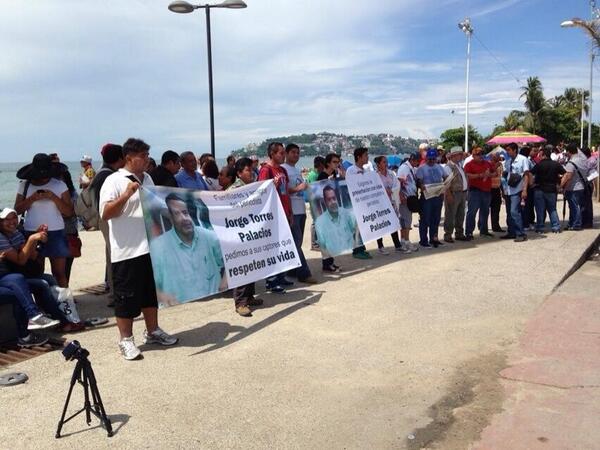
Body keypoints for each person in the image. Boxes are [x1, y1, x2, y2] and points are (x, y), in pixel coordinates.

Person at [100, 138, 178, 360]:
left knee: (149, 294)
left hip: (150, 247)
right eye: (142, 156)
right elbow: (106, 213)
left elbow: (155, 207)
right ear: (128, 158)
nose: (146, 160)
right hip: (127, 250)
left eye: (147, 155)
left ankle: (152, 330)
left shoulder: (149, 178)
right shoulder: (113, 180)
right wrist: (126, 195)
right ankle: (126, 340)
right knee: (126, 297)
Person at [0, 208, 83, 332]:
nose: (11, 221)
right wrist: (32, 239)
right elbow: (20, 260)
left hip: (17, 273)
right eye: (7, 219)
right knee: (41, 284)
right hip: (10, 275)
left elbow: (31, 256)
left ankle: (65, 318)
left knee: (50, 280)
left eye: (14, 218)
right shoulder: (1, 238)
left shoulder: (16, 233)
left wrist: (38, 239)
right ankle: (58, 321)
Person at [150, 193, 224, 304]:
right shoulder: (158, 247)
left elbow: (231, 260)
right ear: (170, 217)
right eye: (176, 214)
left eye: (185, 212)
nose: (184, 218)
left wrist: (224, 283)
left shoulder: (209, 236)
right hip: (180, 312)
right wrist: (162, 296)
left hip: (214, 304)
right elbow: (149, 285)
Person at [14, 153, 74, 287]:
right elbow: (17, 210)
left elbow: (69, 212)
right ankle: (42, 304)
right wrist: (33, 198)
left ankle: (64, 303)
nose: (43, 178)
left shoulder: (59, 185)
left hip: (56, 232)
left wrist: (53, 197)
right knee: (36, 272)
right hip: (32, 233)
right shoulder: (24, 185)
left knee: (59, 273)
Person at [89, 143, 125, 301]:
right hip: (109, 219)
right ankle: (116, 292)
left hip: (105, 219)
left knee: (111, 253)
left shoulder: (101, 174)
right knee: (115, 254)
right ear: (120, 158)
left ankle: (113, 289)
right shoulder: (108, 176)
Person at [228, 158, 264, 316]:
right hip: (239, 234)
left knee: (252, 266)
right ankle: (240, 302)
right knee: (242, 268)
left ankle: (249, 297)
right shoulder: (234, 189)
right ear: (239, 173)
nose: (252, 173)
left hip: (251, 232)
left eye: (252, 169)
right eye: (248, 170)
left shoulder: (251, 187)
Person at [258, 142, 294, 292]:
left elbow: (286, 191)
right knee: (272, 248)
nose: (283, 155)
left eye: (284, 152)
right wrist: (271, 184)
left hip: (284, 212)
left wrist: (290, 211)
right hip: (273, 214)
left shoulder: (282, 170)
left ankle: (281, 275)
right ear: (272, 154)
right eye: (281, 153)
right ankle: (271, 281)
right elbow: (260, 191)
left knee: (282, 246)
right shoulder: (266, 170)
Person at [282, 143, 318, 284]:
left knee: (297, 242)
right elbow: (285, 190)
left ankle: (292, 270)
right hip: (293, 211)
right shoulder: (284, 169)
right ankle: (304, 273)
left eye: (298, 153)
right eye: (293, 152)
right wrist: (299, 188)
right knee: (296, 243)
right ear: (286, 153)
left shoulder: (296, 169)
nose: (296, 155)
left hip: (301, 209)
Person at [317, 153, 344, 271]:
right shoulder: (322, 175)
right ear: (328, 163)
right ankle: (326, 263)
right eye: (334, 162)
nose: (337, 164)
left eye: (338, 162)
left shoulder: (334, 174)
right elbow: (318, 192)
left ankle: (330, 262)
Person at [415, 148, 447, 248]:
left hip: (437, 196)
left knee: (436, 219)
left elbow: (445, 176)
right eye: (430, 159)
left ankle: (434, 239)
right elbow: (418, 180)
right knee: (425, 219)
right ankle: (423, 240)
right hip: (427, 197)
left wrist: (445, 184)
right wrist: (421, 186)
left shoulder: (439, 167)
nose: (432, 161)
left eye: (433, 159)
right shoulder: (422, 168)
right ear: (426, 158)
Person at [530, 146, 565, 233]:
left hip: (539, 189)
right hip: (552, 189)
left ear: (544, 155)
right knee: (552, 209)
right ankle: (556, 227)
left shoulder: (539, 165)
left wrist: (531, 184)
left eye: (540, 155)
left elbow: (530, 173)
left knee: (540, 210)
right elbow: (565, 173)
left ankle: (540, 228)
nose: (539, 156)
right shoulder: (556, 164)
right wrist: (560, 185)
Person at [315, 185, 357, 257]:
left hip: (350, 254)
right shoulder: (320, 222)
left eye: (334, 198)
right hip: (334, 256)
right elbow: (322, 245)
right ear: (325, 202)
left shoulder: (347, 214)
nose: (333, 202)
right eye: (329, 199)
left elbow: (356, 229)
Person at [345, 147, 372, 260]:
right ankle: (356, 250)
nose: (367, 157)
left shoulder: (366, 170)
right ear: (359, 157)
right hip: (354, 204)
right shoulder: (351, 170)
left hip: (363, 203)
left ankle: (361, 247)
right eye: (365, 155)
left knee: (362, 226)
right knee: (356, 227)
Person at [463, 147, 495, 240]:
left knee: (485, 211)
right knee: (472, 212)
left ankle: (483, 230)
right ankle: (469, 232)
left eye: (481, 154)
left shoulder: (487, 163)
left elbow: (495, 173)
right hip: (475, 190)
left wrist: (489, 175)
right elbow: (467, 175)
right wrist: (479, 175)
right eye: (478, 154)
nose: (480, 156)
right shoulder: (469, 164)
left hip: (486, 190)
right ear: (473, 156)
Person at [501, 143, 531, 242]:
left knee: (514, 212)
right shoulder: (508, 161)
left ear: (514, 150)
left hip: (517, 190)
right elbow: (505, 176)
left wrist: (525, 189)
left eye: (509, 150)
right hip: (508, 190)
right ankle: (511, 232)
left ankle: (521, 233)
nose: (507, 152)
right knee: (509, 213)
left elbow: (526, 175)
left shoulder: (523, 159)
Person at [374, 155, 402, 253]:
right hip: (380, 204)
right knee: (381, 224)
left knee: (393, 223)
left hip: (392, 202)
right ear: (378, 164)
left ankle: (397, 245)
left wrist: (392, 190)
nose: (386, 164)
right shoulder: (374, 176)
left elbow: (397, 184)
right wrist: (384, 190)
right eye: (384, 162)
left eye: (386, 162)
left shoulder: (391, 173)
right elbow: (374, 189)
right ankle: (380, 246)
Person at [560, 143, 590, 231]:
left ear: (569, 152)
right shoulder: (583, 160)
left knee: (574, 207)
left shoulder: (571, 162)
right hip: (581, 187)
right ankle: (572, 223)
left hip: (573, 188)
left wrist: (562, 187)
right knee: (577, 206)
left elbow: (568, 176)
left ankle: (576, 224)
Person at [443, 146, 468, 243]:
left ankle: (459, 233)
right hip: (454, 193)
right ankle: (448, 234)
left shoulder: (458, 165)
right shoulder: (449, 167)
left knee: (460, 214)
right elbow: (446, 182)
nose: (462, 156)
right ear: (454, 156)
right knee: (450, 214)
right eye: (460, 154)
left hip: (461, 193)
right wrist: (448, 194)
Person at [396, 153, 420, 253]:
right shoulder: (404, 168)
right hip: (405, 198)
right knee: (406, 221)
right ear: (413, 160)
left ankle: (404, 241)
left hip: (409, 197)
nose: (418, 163)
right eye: (417, 161)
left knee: (405, 220)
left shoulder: (411, 168)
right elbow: (399, 182)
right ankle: (406, 241)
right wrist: (401, 195)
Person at [489, 151, 505, 232]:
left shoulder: (500, 165)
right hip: (489, 189)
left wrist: (503, 190)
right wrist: (496, 166)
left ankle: (496, 226)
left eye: (498, 156)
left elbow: (501, 178)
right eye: (496, 156)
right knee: (485, 210)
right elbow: (490, 172)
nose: (498, 157)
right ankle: (482, 227)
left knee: (496, 209)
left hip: (497, 188)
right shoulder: (488, 164)